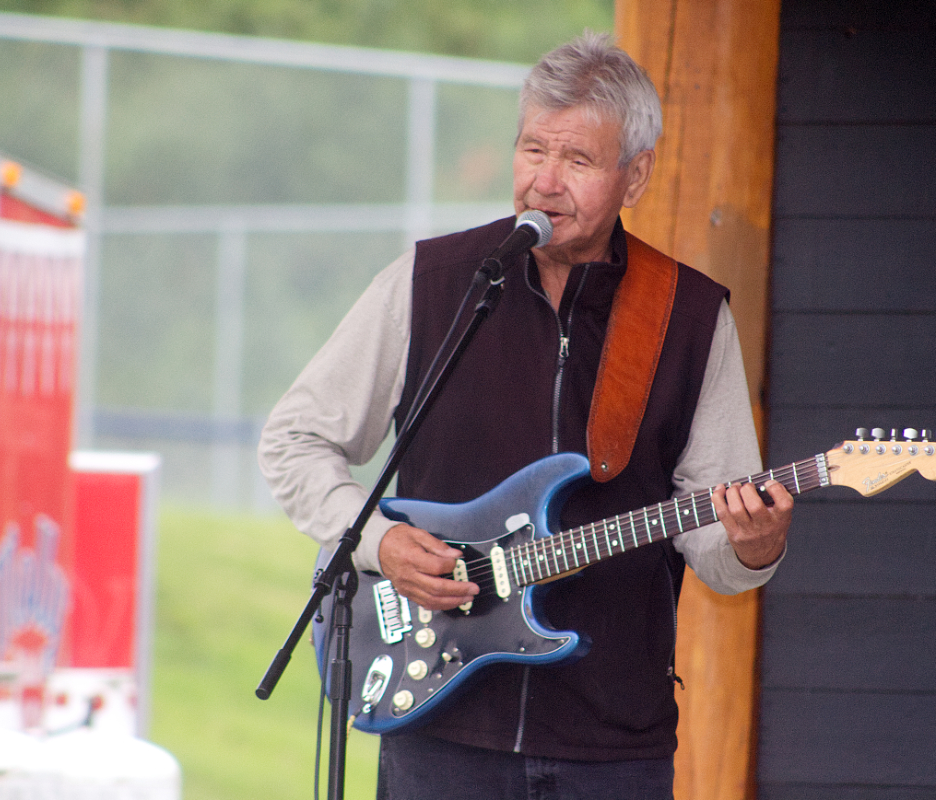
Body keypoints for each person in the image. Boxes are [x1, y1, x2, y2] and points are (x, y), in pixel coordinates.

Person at [258, 32, 793, 800]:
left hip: (612, 745)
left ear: (635, 175)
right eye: (532, 149)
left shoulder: (689, 316)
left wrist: (754, 546)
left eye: (577, 161)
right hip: (438, 722)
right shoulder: (434, 282)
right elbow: (296, 440)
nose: (545, 181)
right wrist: (377, 542)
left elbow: (714, 540)